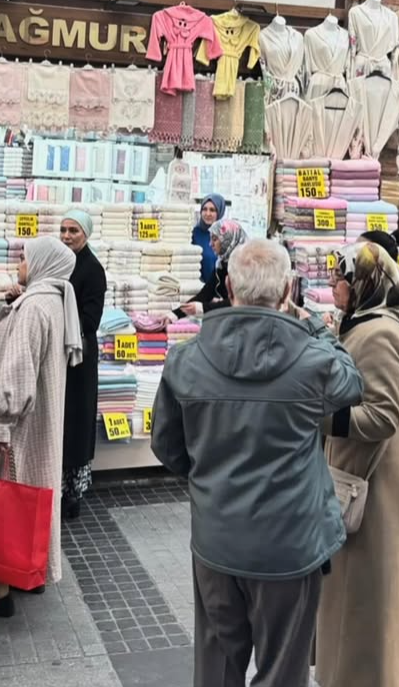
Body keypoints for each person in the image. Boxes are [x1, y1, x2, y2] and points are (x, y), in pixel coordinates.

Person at [151, 239, 363, 687]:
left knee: (216, 666)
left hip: (216, 537)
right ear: (287, 290)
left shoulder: (185, 359)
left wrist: (209, 479)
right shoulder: (312, 360)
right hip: (290, 543)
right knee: (283, 669)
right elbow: (352, 385)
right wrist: (318, 327)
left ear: (228, 287)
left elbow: (167, 446)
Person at [0, 237, 82, 613]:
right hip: (37, 423)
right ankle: (28, 570)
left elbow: (17, 374)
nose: (20, 263)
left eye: (25, 258)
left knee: (4, 499)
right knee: (30, 493)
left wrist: (1, 425)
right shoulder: (53, 301)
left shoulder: (34, 307)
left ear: (42, 263)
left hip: (16, 425)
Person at [316, 242, 399, 687]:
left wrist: (321, 417)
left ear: (366, 282)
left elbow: (384, 415)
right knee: (348, 596)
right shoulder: (361, 323)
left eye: (342, 277)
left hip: (369, 484)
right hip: (352, 475)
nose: (334, 284)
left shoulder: (380, 332)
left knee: (361, 599)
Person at [60, 209, 107, 520]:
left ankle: (72, 495)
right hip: (61, 356)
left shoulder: (92, 269)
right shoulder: (61, 262)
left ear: (86, 234)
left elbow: (90, 321)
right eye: (63, 230)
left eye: (73, 231)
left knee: (76, 426)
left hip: (80, 360)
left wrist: (57, 314)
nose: (66, 236)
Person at [171, 218, 247, 319]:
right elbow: (205, 294)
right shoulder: (222, 265)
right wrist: (174, 315)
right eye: (210, 239)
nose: (210, 244)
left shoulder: (244, 268)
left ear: (227, 240)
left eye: (215, 239)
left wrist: (202, 308)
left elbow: (239, 302)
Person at [193, 193, 226, 282]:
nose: (208, 213)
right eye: (205, 209)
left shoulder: (226, 235)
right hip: (198, 287)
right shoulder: (194, 234)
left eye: (212, 210)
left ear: (219, 212)